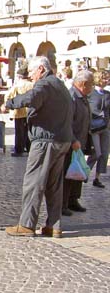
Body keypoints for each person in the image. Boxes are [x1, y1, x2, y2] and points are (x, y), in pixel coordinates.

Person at [5, 56, 74, 238]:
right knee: (54, 185)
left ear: (41, 70)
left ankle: (27, 224)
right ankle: (54, 225)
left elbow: (32, 97)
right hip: (61, 139)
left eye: (32, 72)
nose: (31, 76)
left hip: (46, 140)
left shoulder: (44, 84)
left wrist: (11, 102)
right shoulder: (59, 85)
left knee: (34, 182)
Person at [62, 70, 93, 216]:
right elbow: (67, 121)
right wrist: (73, 139)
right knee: (69, 172)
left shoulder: (83, 97)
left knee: (78, 171)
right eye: (91, 84)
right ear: (83, 84)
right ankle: (63, 203)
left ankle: (73, 199)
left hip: (81, 140)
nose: (93, 87)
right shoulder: (72, 96)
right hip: (71, 141)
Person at [4, 64, 33, 156]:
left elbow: (8, 96)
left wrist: (8, 106)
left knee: (19, 132)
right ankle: (29, 148)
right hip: (29, 112)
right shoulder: (32, 85)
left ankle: (19, 149)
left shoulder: (17, 85)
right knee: (28, 131)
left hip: (19, 112)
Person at [87, 70, 110, 188]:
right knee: (96, 153)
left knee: (105, 153)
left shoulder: (107, 94)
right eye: (105, 78)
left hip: (105, 127)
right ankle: (84, 174)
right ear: (99, 79)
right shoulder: (90, 93)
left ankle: (97, 178)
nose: (107, 80)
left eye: (108, 78)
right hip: (94, 127)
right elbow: (88, 108)